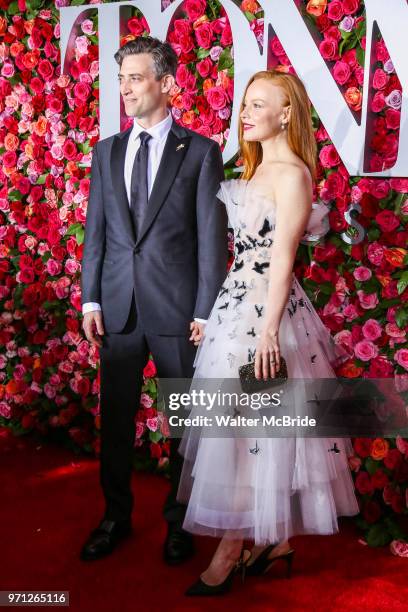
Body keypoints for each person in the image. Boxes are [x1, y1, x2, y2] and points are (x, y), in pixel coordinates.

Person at [176, 69, 360, 596]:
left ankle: (233, 549)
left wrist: (269, 332)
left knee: (254, 430)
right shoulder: (255, 171)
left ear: (286, 114)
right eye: (245, 104)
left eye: (260, 104)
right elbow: (244, 258)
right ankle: (265, 543)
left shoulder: (293, 176)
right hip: (235, 307)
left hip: (267, 315)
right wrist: (219, 317)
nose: (246, 112)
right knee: (237, 431)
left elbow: (282, 263)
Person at [80, 36, 228, 564]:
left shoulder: (202, 152)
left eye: (135, 78)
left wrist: (204, 311)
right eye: (121, 79)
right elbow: (96, 231)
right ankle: (114, 517)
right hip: (118, 310)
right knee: (115, 420)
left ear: (166, 84)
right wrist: (90, 300)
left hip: (178, 314)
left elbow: (211, 239)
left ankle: (179, 521)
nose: (124, 89)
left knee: (183, 426)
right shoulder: (106, 151)